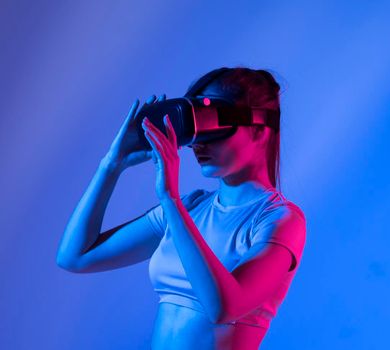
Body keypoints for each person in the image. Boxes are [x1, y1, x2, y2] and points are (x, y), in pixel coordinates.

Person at [56, 67, 307, 349]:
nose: (198, 144)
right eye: (195, 131)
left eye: (212, 129)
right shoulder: (191, 207)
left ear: (259, 130)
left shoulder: (281, 220)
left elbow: (225, 308)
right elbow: (75, 257)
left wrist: (170, 200)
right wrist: (111, 165)